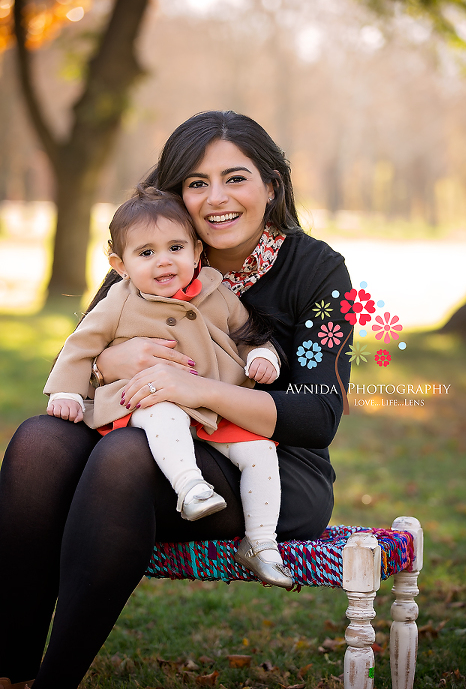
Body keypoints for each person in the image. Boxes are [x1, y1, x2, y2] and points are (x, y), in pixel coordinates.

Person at [0, 110, 352, 689]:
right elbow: (81, 357)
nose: (217, 198)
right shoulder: (155, 246)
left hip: (269, 464)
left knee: (125, 458)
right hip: (151, 427)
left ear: (271, 185)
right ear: (176, 192)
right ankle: (10, 669)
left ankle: (54, 682)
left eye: (236, 178)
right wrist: (116, 360)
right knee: (40, 441)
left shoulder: (317, 273)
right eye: (196, 182)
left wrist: (194, 386)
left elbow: (315, 416)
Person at [44, 187, 292, 588]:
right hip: (145, 399)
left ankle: (262, 542)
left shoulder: (216, 292)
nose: (163, 261)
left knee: (260, 451)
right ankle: (189, 486)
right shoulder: (118, 302)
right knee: (164, 413)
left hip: (213, 408)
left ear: (196, 252)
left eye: (175, 247)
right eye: (145, 253)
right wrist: (67, 392)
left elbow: (249, 334)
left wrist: (263, 356)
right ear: (120, 265)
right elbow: (80, 344)